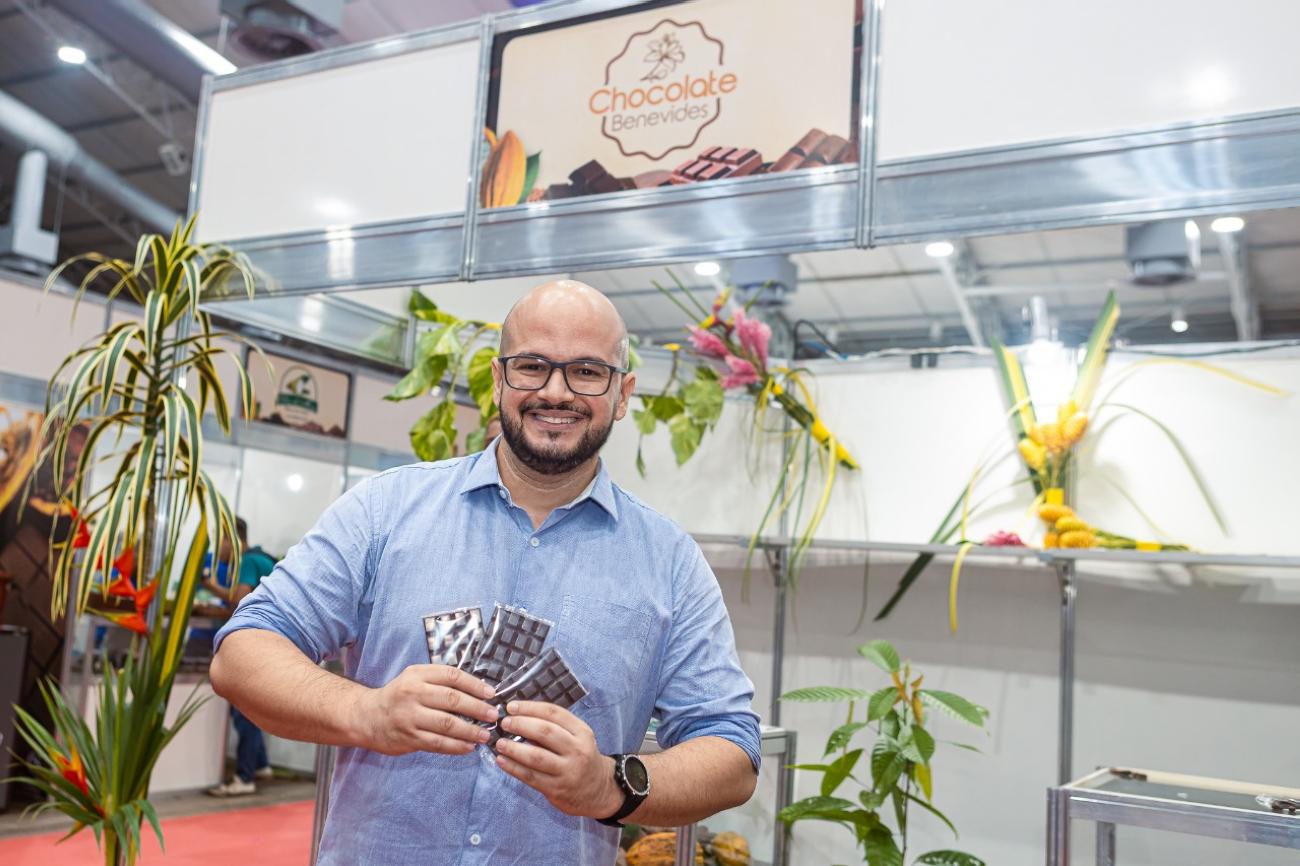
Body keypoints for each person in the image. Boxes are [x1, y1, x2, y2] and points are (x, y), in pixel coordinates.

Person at [211, 280, 760, 865]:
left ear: (622, 394)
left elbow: (733, 750)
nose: (556, 391)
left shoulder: (669, 561)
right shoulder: (384, 511)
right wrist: (367, 713)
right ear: (498, 380)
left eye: (587, 372)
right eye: (532, 366)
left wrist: (609, 785)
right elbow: (242, 652)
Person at [207, 518, 278, 797]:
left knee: (244, 710)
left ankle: (244, 777)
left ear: (233, 539)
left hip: (255, 644)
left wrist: (210, 586)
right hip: (273, 644)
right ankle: (260, 765)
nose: (218, 549)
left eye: (220, 541)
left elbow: (240, 599)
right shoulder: (264, 559)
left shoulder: (248, 562)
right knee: (252, 707)